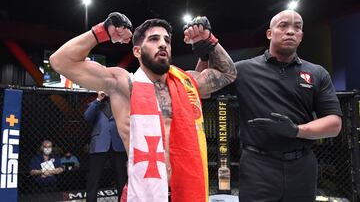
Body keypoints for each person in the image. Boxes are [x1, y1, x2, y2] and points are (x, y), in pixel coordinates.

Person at [50, 12, 236, 202]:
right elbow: (59, 61)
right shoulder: (124, 84)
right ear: (137, 51)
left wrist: (208, 41)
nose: (163, 43)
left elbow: (228, 74)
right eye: (154, 39)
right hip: (143, 192)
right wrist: (102, 32)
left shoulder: (186, 82)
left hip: (186, 190)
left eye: (167, 40)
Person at [231, 10, 342, 201]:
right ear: (269, 33)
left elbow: (334, 124)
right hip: (257, 166)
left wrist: (295, 130)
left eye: (297, 27)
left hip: (301, 166)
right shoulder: (242, 69)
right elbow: (202, 88)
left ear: (301, 36)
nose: (290, 31)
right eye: (283, 25)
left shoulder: (317, 73)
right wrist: (205, 53)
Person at [84, 91, 127, 202]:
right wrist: (98, 100)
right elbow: (87, 117)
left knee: (121, 178)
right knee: (94, 178)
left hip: (118, 144)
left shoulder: (120, 103)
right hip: (99, 144)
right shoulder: (94, 103)